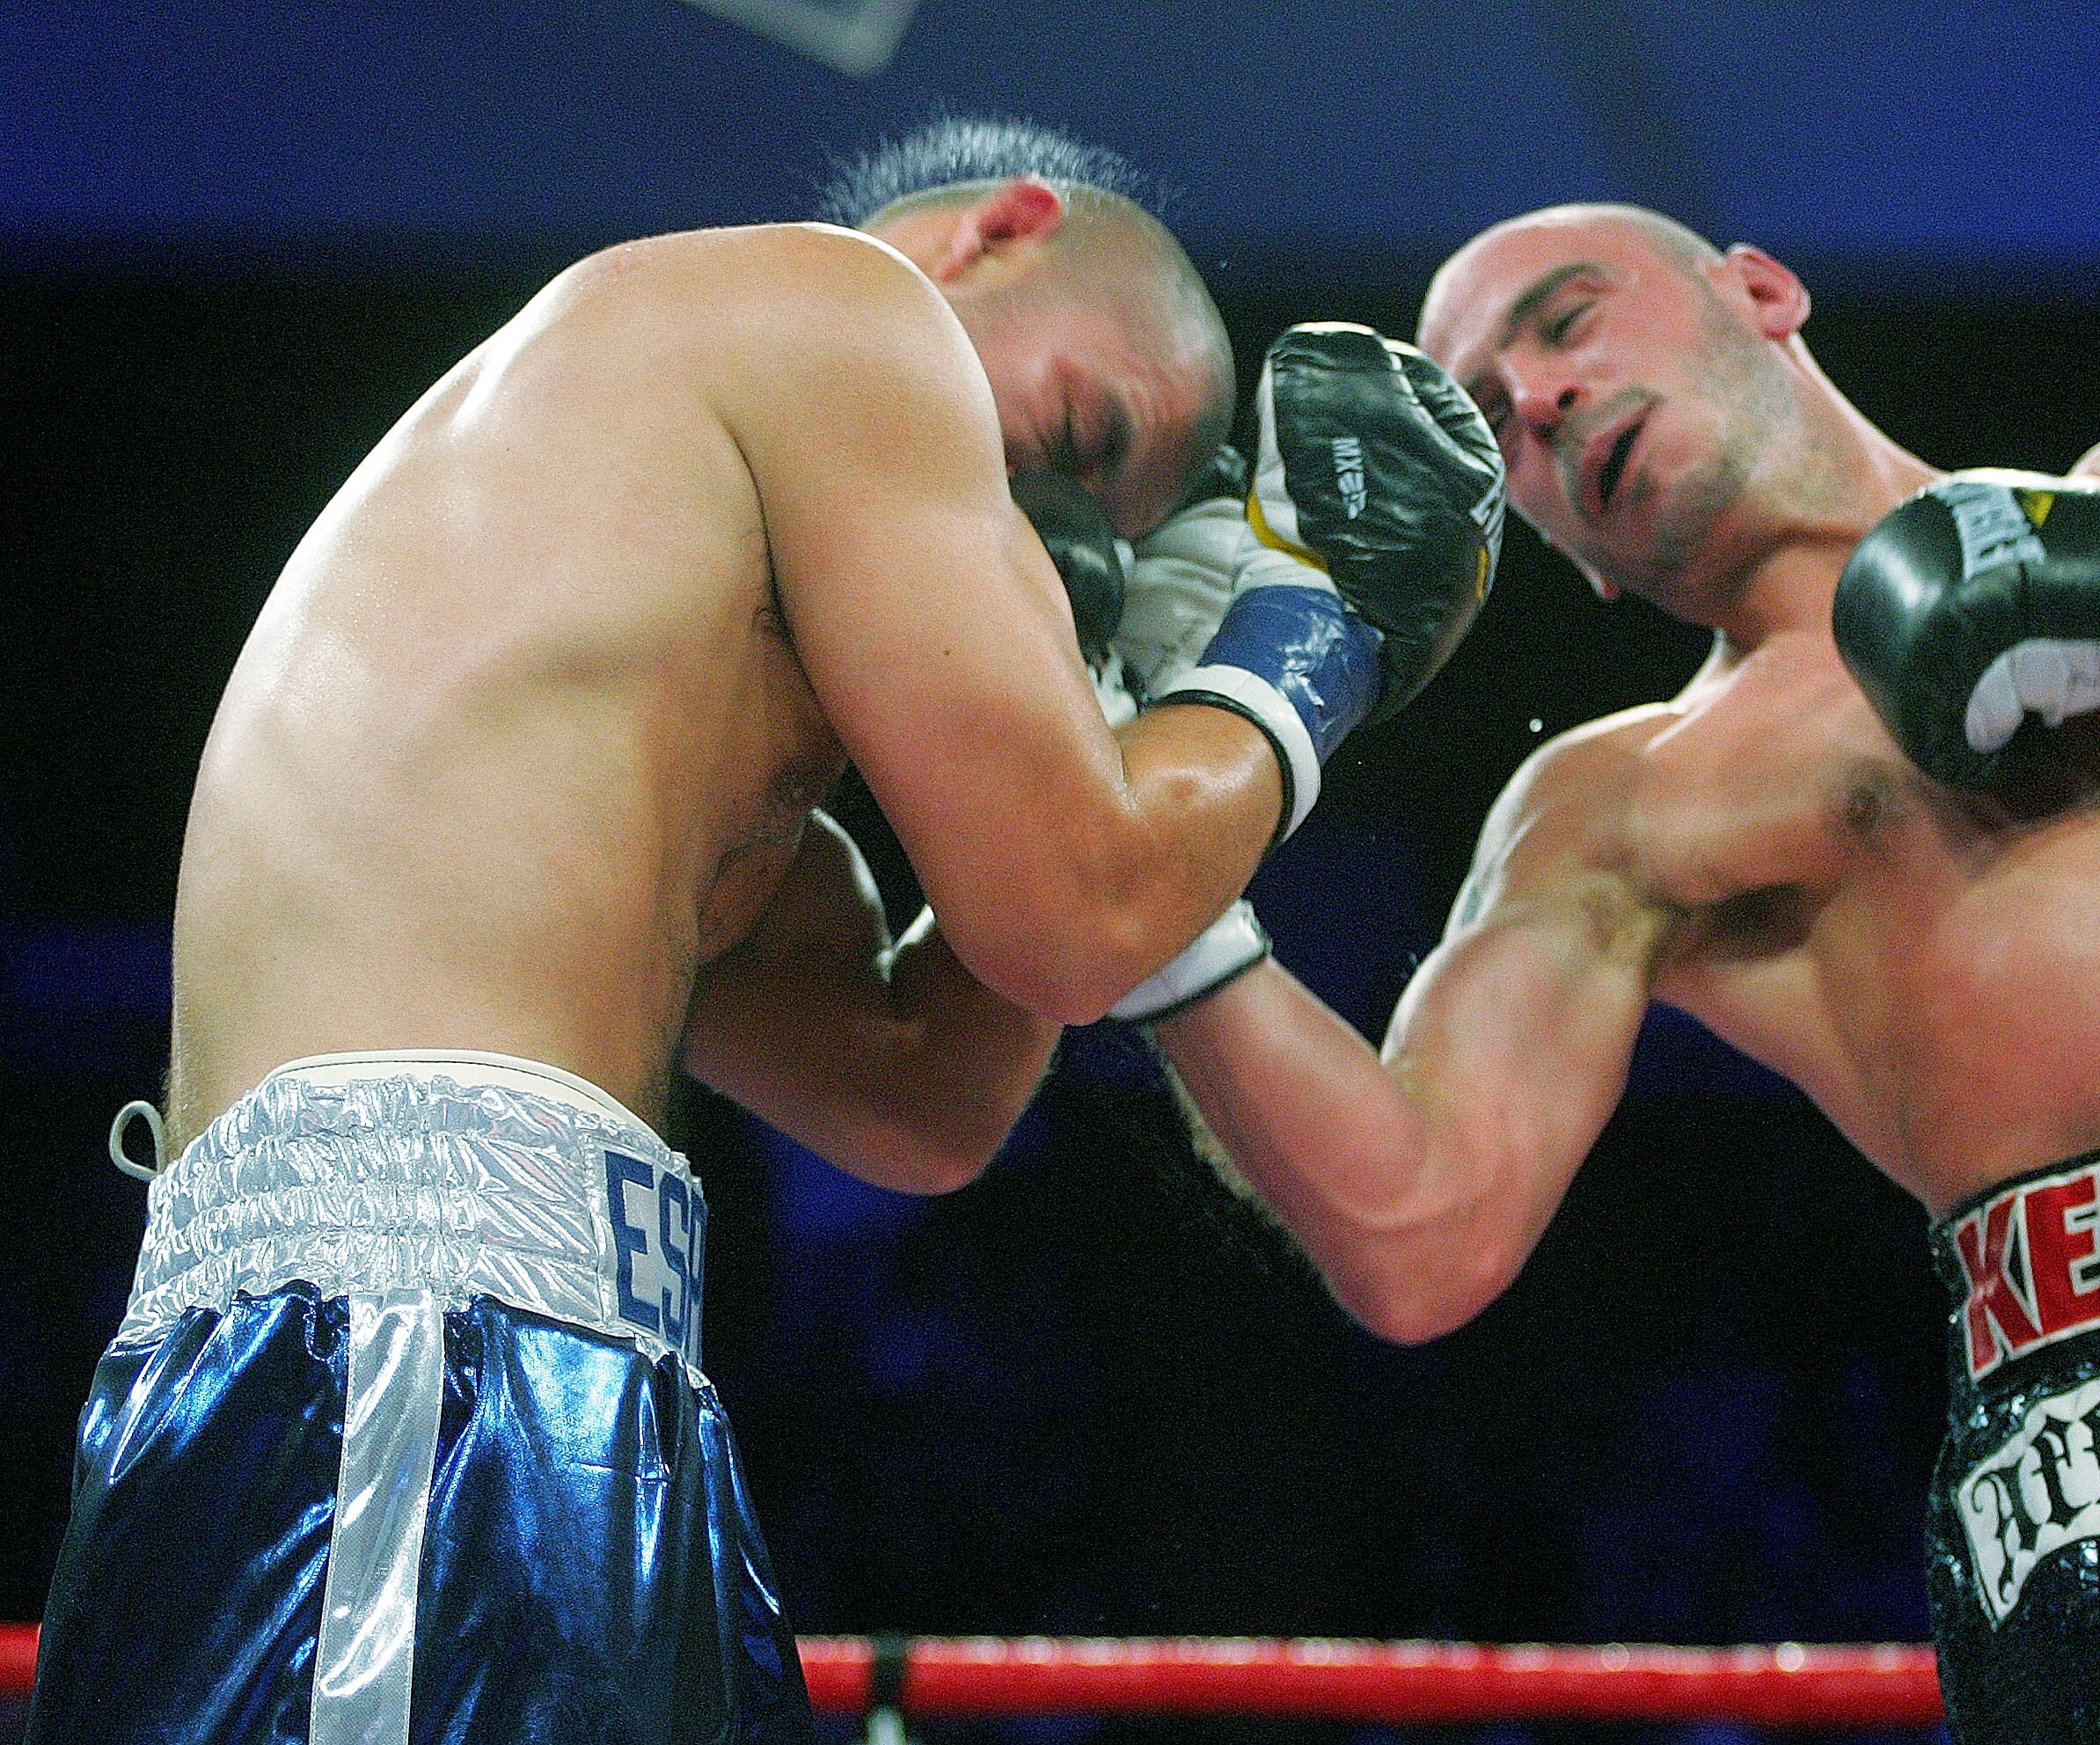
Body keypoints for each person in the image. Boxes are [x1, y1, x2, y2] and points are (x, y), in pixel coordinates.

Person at [27, 118, 1500, 1745]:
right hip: (397, 1339)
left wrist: (1132, 697)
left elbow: (918, 1087)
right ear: (1006, 228)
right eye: (1077, 436)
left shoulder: (653, 672)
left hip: (553, 1362)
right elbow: (1085, 910)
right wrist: (1312, 635)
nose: (1037, 525)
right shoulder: (833, 311)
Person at [1127, 202, 2100, 1741]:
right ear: (1564, 555)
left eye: (1568, 321)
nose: (1540, 401)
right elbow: (1418, 1230)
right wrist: (1156, 899)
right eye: (1498, 428)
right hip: (2089, 1480)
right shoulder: (1620, 809)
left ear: (1765, 291)